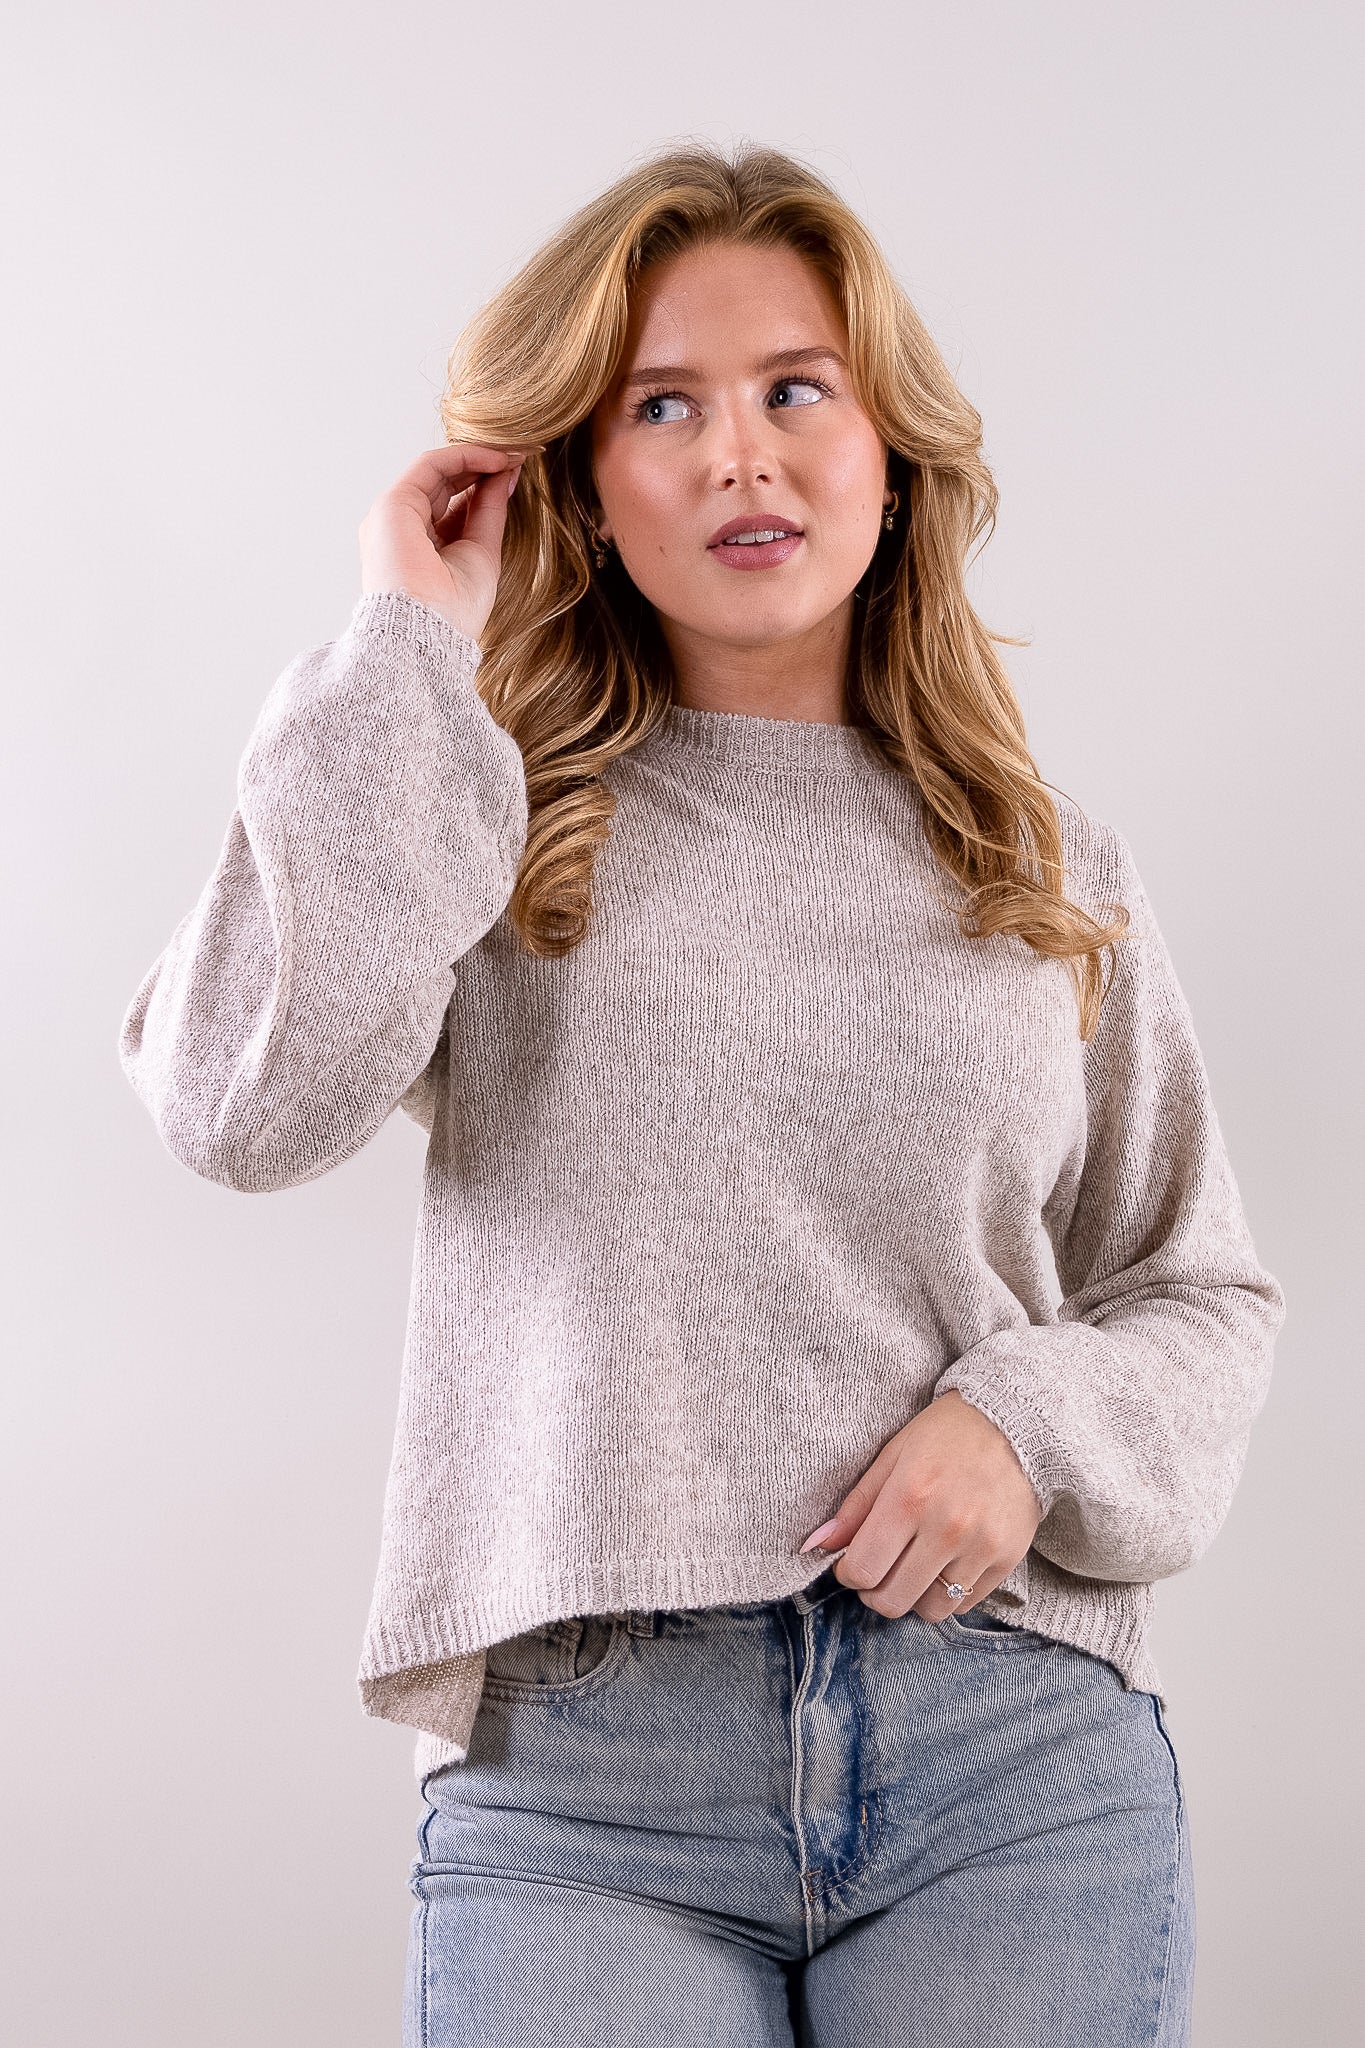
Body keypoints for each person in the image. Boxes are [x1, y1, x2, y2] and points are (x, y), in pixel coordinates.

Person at [117, 141, 1286, 2046]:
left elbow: (1197, 1290)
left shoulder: (1045, 866)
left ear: (887, 452)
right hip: (584, 1786)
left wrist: (1028, 1426)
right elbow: (239, 1108)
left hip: (1004, 1753)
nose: (739, 454)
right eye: (662, 406)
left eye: (792, 390)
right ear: (585, 484)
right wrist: (407, 647)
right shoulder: (480, 815)